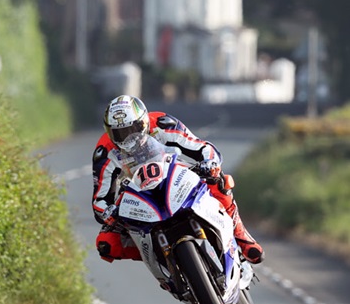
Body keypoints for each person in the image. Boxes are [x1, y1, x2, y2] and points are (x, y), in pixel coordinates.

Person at [92, 94, 265, 264]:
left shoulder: (162, 124)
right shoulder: (104, 151)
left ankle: (241, 237)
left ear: (144, 122)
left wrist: (209, 164)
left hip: (174, 174)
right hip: (138, 194)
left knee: (219, 181)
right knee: (106, 244)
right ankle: (159, 259)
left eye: (133, 129)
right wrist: (109, 213)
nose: (129, 138)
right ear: (109, 131)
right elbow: (100, 200)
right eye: (120, 133)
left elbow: (201, 147)